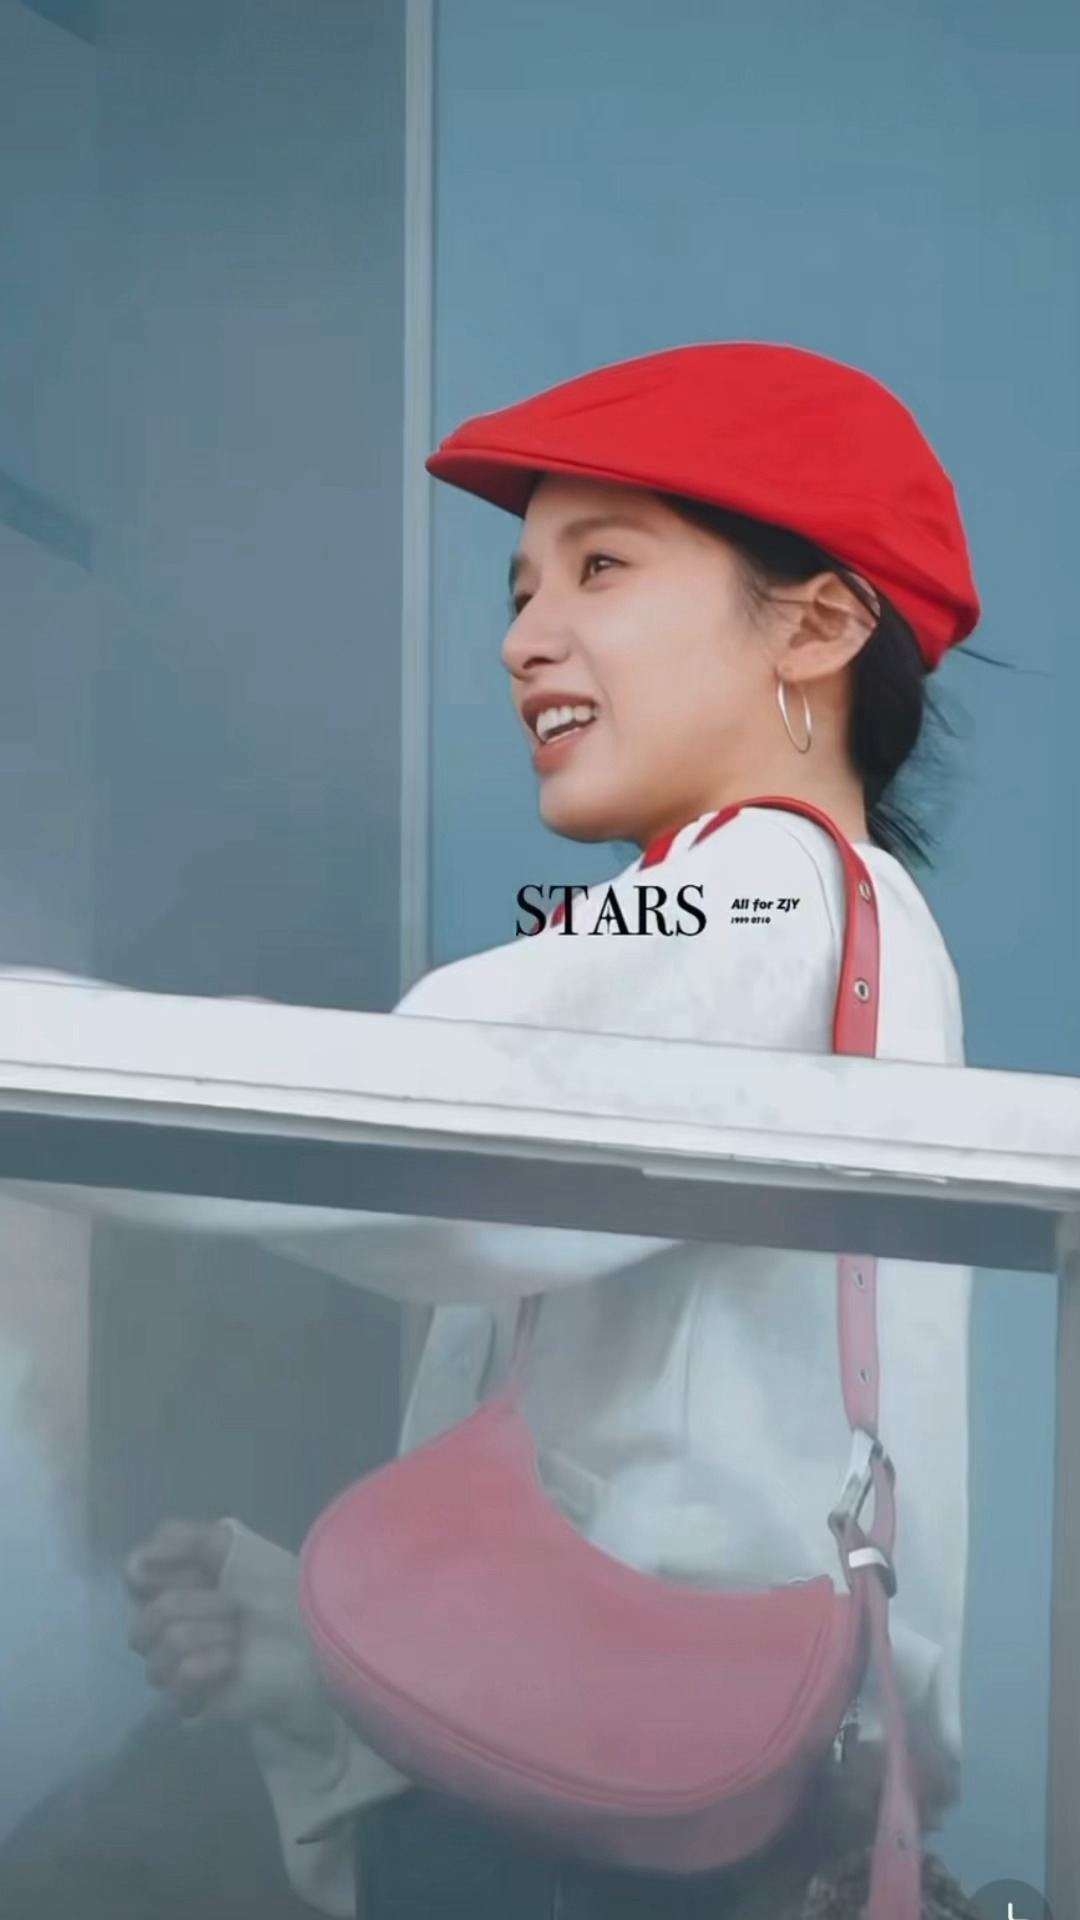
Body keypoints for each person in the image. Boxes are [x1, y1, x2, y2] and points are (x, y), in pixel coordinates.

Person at [126, 343, 983, 1919]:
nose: (525, 637)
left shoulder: (755, 885)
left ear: (816, 626)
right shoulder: (813, 921)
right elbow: (664, 1500)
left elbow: (409, 1140)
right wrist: (310, 1640)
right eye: (520, 589)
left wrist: (53, 1050)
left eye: (601, 568)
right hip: (683, 1808)